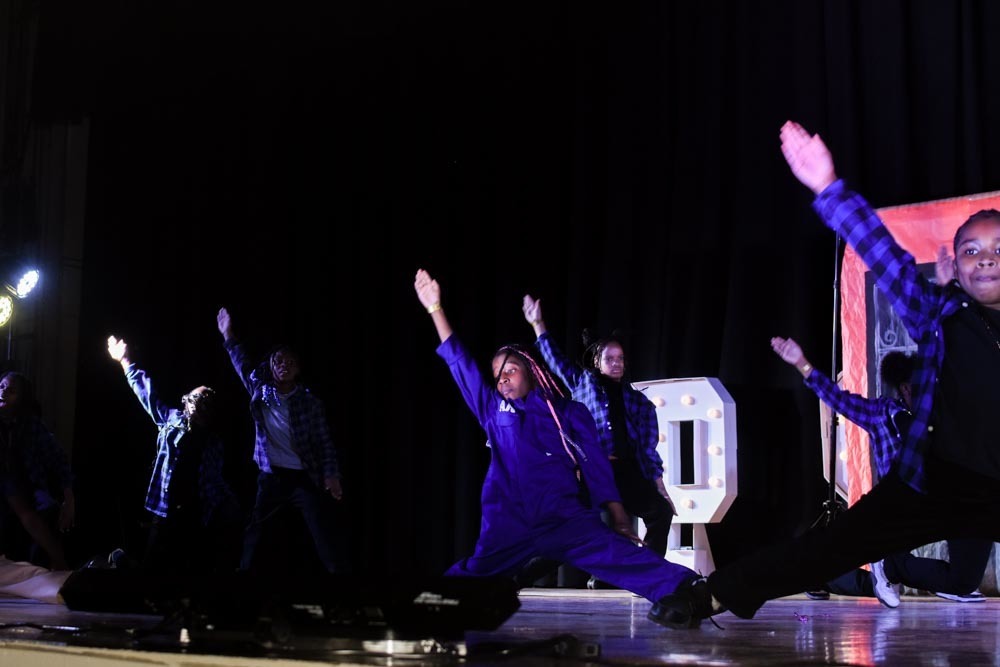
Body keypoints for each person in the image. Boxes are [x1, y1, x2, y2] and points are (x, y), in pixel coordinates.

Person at [656, 119, 1000, 625]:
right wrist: (827, 188)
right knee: (829, 546)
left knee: (960, 578)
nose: (985, 260)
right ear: (956, 262)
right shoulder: (940, 314)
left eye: (997, 250)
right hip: (932, 483)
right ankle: (711, 595)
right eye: (971, 250)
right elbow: (890, 262)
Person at [413, 268, 702, 629]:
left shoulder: (567, 412)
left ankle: (692, 591)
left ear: (531, 371)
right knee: (468, 576)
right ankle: (427, 609)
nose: (502, 377)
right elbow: (460, 363)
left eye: (511, 369)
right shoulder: (493, 410)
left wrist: (618, 513)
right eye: (498, 373)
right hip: (509, 524)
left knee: (622, 556)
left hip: (564, 518)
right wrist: (435, 308)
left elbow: (596, 466)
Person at [771, 337, 991, 606]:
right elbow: (838, 399)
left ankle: (947, 581)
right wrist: (802, 364)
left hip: (941, 501)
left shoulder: (942, 414)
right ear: (905, 389)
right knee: (881, 574)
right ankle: (820, 577)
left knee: (954, 571)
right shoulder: (882, 414)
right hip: (901, 506)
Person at [522, 295, 676, 589]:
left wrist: (659, 486)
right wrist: (538, 324)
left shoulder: (639, 402)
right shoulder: (584, 383)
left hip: (625, 472)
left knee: (661, 512)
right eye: (609, 359)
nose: (616, 364)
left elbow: (647, 448)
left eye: (620, 359)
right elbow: (554, 360)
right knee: (573, 532)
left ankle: (646, 576)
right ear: (597, 361)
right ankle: (519, 575)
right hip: (592, 472)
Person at [216, 307, 349, 574]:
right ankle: (240, 588)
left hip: (303, 478)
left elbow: (325, 442)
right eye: (278, 361)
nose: (283, 366)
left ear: (297, 369)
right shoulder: (264, 392)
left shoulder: (309, 402)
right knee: (255, 533)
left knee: (324, 538)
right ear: (271, 366)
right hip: (271, 476)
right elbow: (241, 363)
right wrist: (228, 333)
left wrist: (332, 476)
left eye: (289, 362)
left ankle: (341, 591)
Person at [107, 335, 243, 573]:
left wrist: (230, 505)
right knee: (152, 568)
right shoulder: (171, 421)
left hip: (196, 511)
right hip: (166, 508)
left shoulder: (213, 442)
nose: (202, 399)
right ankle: (122, 561)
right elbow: (145, 392)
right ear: (188, 402)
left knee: (186, 567)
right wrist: (125, 361)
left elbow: (215, 479)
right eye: (198, 396)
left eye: (207, 398)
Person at [0, 371, 72, 570]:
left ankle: (55, 567)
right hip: (7, 486)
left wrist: (69, 499)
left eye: (11, 390)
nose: (3, 393)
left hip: (25, 486)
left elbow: (59, 459)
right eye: (2, 387)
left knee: (44, 511)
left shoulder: (31, 426)